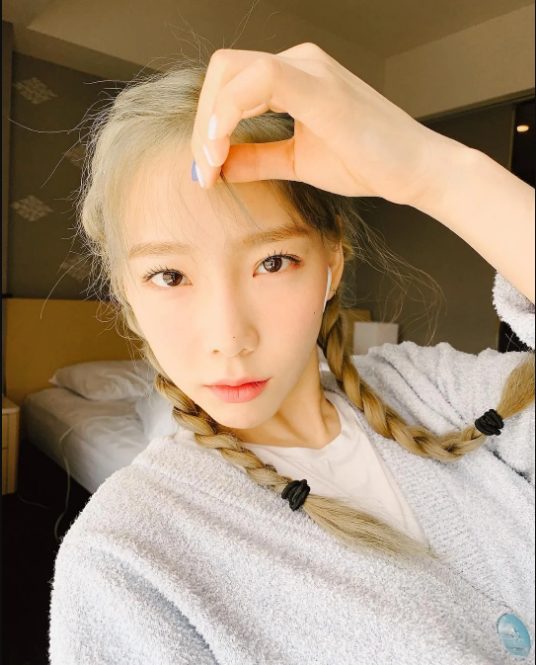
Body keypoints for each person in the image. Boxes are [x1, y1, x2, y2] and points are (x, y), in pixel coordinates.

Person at [49, 43, 534, 664]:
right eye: (169, 275)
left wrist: (435, 173)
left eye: (273, 262)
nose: (229, 336)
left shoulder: (434, 391)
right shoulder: (127, 558)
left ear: (331, 264)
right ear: (127, 294)